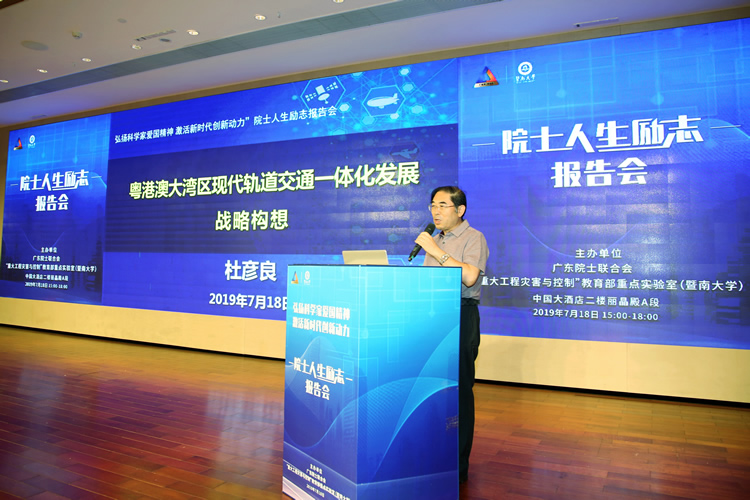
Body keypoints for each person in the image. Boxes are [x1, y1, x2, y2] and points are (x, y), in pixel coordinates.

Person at [414, 186, 489, 484]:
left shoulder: (474, 237)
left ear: (460, 210)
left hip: (461, 314)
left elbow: (470, 277)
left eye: (443, 205)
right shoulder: (436, 239)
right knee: (432, 391)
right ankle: (433, 457)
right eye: (433, 205)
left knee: (459, 393)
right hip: (433, 317)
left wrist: (436, 251)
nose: (436, 211)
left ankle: (457, 467)